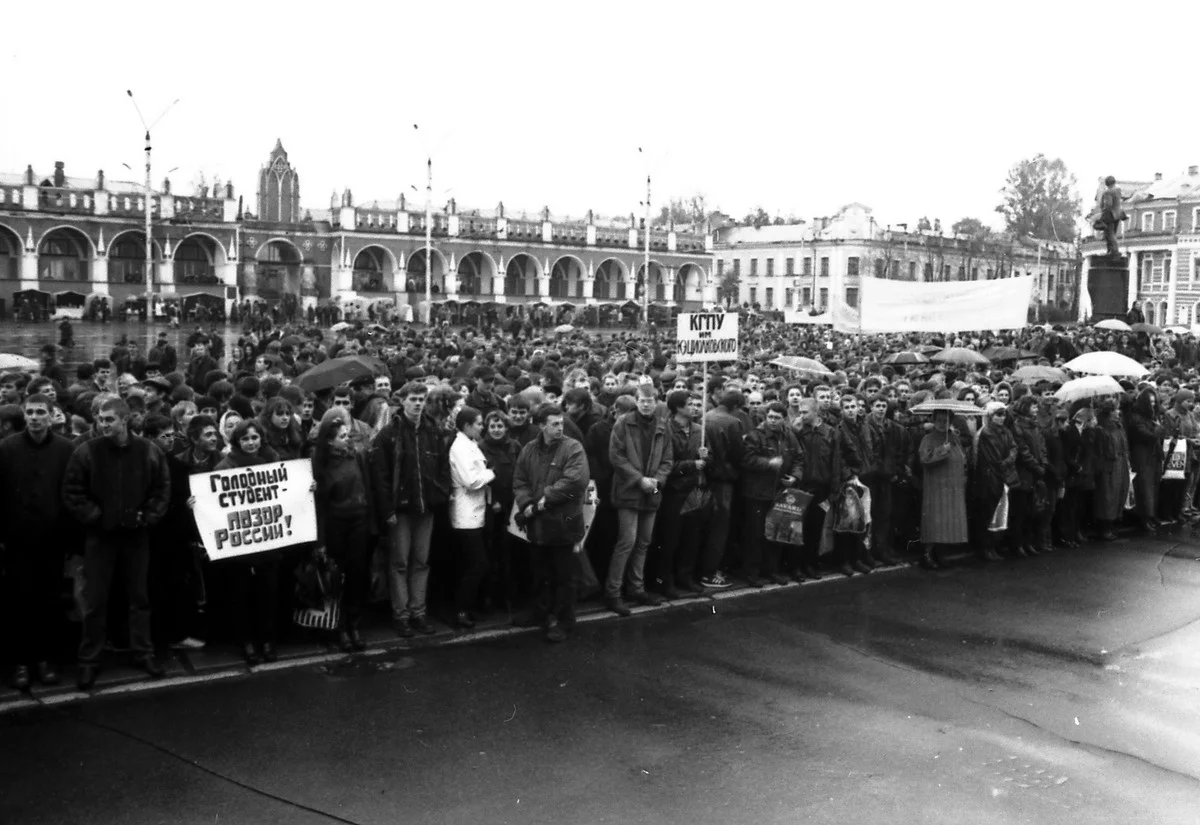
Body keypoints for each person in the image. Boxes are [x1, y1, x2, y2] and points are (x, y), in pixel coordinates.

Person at [62, 397, 171, 689]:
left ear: (125, 420)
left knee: (139, 597)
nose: (103, 423)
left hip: (136, 536)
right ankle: (89, 660)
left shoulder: (149, 451)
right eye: (100, 418)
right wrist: (97, 517)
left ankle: (143, 652)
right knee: (96, 600)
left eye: (110, 419)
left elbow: (162, 488)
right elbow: (72, 491)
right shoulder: (86, 451)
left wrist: (147, 516)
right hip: (101, 537)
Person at [0, 394, 77, 690]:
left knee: (49, 601)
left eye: (40, 412)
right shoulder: (7, 448)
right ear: (24, 415)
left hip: (52, 541)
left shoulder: (65, 449)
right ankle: (21, 662)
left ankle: (45, 660)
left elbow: (70, 494)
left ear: (50, 415)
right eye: (29, 412)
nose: (34, 417)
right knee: (20, 601)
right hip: (17, 541)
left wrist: (69, 538)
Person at [371, 381, 450, 638]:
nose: (417, 403)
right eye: (413, 399)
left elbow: (442, 468)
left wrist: (439, 493)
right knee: (400, 563)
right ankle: (401, 614)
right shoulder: (389, 434)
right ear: (402, 400)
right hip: (400, 510)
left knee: (421, 562)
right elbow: (381, 478)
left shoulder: (432, 430)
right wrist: (387, 510)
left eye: (421, 399)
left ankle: (419, 612)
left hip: (425, 507)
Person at [513, 404, 590, 643]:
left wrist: (546, 498)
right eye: (554, 423)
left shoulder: (572, 447)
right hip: (538, 524)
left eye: (561, 423)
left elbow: (576, 481)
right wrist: (527, 502)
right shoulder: (529, 449)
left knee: (564, 576)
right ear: (541, 425)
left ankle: (564, 621)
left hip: (563, 523)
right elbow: (520, 479)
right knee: (540, 572)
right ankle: (540, 613)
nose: (559, 427)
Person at [212, 419, 283, 664]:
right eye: (245, 439)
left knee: (268, 594)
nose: (251, 443)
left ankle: (267, 640)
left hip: (267, 542)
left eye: (254, 438)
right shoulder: (224, 467)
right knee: (241, 596)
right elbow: (216, 504)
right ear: (236, 442)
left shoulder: (273, 463)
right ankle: (247, 643)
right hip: (240, 546)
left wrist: (306, 487)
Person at [605, 384, 673, 615]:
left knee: (643, 542)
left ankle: (637, 588)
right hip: (629, 489)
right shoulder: (624, 422)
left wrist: (657, 480)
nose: (646, 404)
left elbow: (667, 458)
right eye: (642, 400)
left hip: (651, 490)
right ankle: (613, 593)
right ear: (636, 401)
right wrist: (639, 479)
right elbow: (616, 456)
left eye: (650, 400)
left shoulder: (663, 425)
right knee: (627, 542)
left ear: (657, 402)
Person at [312, 412, 374, 652]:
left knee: (357, 575)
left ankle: (354, 624)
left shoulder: (355, 456)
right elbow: (320, 505)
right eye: (342, 436)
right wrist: (321, 541)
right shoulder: (321, 464)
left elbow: (365, 487)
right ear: (329, 440)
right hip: (336, 526)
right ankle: (338, 628)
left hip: (359, 522)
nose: (347, 439)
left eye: (348, 435)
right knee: (337, 579)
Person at [740, 401, 803, 586]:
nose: (773, 421)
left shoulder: (789, 436)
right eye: (770, 417)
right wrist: (769, 463)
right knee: (755, 535)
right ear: (765, 417)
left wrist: (795, 477)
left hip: (779, 493)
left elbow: (799, 458)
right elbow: (747, 459)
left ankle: (772, 571)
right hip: (757, 493)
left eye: (777, 418)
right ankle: (752, 573)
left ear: (784, 419)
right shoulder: (755, 436)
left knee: (776, 534)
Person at [448, 407, 495, 629]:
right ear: (467, 426)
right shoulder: (460, 448)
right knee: (477, 564)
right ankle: (461, 609)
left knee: (472, 563)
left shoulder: (470, 444)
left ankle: (466, 607)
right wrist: (491, 473)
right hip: (466, 514)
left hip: (476, 511)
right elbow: (472, 481)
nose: (482, 426)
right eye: (478, 423)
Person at [917, 409, 968, 570]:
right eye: (939, 420)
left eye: (945, 420)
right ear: (933, 420)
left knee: (947, 522)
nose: (942, 423)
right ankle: (927, 554)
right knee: (935, 521)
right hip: (936, 487)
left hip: (953, 486)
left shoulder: (954, 437)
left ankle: (940, 553)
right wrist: (942, 451)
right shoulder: (928, 438)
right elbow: (925, 458)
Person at [1099, 175, 1129, 258]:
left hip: (1110, 215)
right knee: (1112, 233)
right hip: (1118, 214)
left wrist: (1102, 216)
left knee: (1109, 234)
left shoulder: (1108, 192)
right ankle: (1111, 251)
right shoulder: (1118, 191)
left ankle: (1114, 251)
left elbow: (1108, 205)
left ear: (1106, 184)